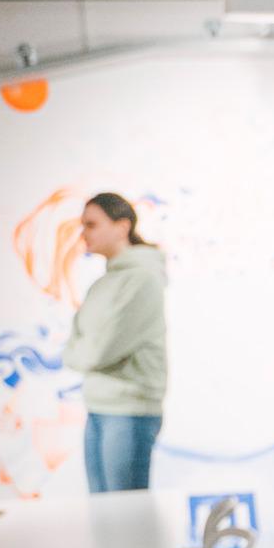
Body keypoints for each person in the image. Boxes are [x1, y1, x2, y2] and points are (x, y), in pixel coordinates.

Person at [64, 191, 169, 493]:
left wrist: (85, 351)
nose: (84, 234)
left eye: (92, 224)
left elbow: (97, 350)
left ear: (122, 227)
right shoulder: (102, 284)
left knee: (127, 519)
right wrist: (85, 351)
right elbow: (74, 346)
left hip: (130, 412)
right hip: (98, 408)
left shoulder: (143, 279)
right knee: (104, 515)